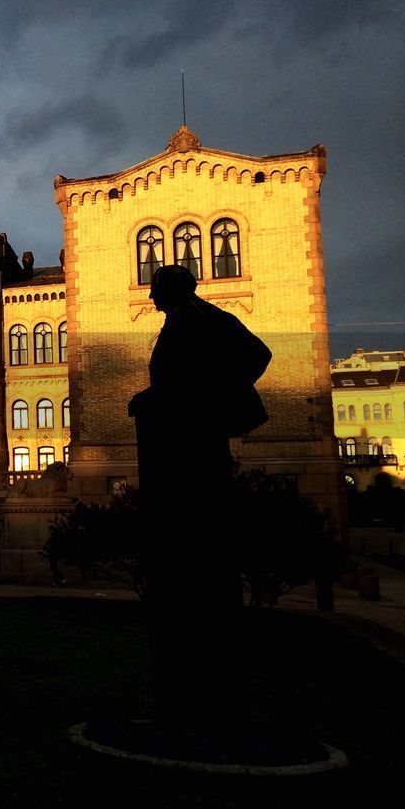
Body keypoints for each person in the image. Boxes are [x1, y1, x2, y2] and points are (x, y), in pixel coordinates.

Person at [127, 264, 272, 729]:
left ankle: (200, 699)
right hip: (178, 450)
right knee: (183, 564)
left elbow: (256, 355)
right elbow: (174, 385)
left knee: (196, 554)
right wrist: (154, 399)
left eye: (156, 290)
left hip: (194, 455)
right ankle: (183, 695)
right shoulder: (184, 322)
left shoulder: (204, 319)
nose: (150, 298)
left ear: (174, 290)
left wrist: (212, 398)